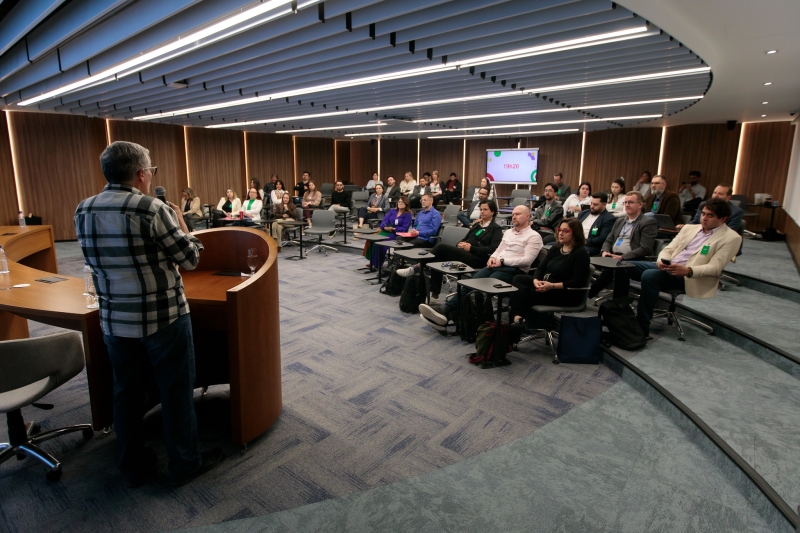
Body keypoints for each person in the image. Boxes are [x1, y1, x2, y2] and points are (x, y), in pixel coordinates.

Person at [74, 141, 222, 488]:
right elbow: (190, 259)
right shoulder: (151, 209)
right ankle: (184, 464)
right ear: (141, 174)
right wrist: (182, 224)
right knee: (175, 391)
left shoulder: (84, 209)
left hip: (114, 320)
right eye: (151, 169)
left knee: (126, 393)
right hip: (162, 318)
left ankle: (133, 465)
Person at [627, 199, 742, 336]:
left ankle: (642, 326)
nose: (704, 218)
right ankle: (621, 311)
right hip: (669, 267)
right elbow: (668, 249)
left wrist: (688, 271)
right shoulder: (689, 228)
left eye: (710, 215)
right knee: (625, 266)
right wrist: (661, 261)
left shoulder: (731, 238)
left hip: (690, 276)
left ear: (723, 219)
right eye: (703, 214)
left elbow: (715, 268)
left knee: (650, 275)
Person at [418, 205, 542, 327]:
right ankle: (446, 311)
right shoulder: (509, 232)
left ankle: (448, 314)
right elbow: (499, 250)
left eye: (518, 214)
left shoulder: (534, 236)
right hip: (495, 265)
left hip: (513, 270)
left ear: (527, 216)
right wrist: (493, 257)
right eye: (513, 214)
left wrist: (502, 261)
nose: (514, 217)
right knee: (470, 284)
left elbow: (527, 260)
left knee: (480, 290)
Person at [397, 199, 503, 300]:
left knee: (441, 247)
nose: (482, 212)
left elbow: (492, 249)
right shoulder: (477, 225)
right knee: (437, 260)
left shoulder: (496, 229)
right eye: (481, 209)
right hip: (465, 253)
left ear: (492, 212)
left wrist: (472, 248)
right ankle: (435, 296)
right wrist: (460, 244)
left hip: (478, 258)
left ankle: (417, 267)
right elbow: (464, 239)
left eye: (485, 209)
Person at [508, 218, 591, 330]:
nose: (560, 233)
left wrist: (551, 286)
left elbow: (577, 282)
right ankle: (518, 319)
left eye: (565, 231)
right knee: (518, 279)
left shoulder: (581, 254)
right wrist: (536, 281)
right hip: (547, 284)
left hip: (564, 293)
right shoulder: (556, 247)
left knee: (523, 293)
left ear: (575, 233)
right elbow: (541, 268)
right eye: (559, 230)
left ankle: (516, 321)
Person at [588, 191, 658, 299]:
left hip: (632, 259)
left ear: (640, 205)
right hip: (612, 255)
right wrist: (605, 251)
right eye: (625, 202)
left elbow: (645, 248)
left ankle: (588, 295)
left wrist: (622, 257)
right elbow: (608, 240)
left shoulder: (647, 222)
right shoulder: (620, 221)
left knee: (615, 268)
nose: (627, 205)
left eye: (631, 202)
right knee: (584, 260)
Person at [364, 196, 413, 270]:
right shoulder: (393, 211)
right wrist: (385, 227)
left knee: (381, 242)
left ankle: (377, 264)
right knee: (373, 239)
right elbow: (385, 220)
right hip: (386, 229)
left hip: (396, 233)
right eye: (399, 202)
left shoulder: (408, 214)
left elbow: (405, 228)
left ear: (406, 204)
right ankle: (372, 261)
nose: (400, 203)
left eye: (402, 202)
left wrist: (394, 229)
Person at [677, 184, 743, 231]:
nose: (715, 196)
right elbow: (695, 221)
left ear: (728, 197)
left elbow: (729, 231)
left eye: (720, 194)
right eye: (714, 193)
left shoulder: (736, 212)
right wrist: (686, 226)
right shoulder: (703, 205)